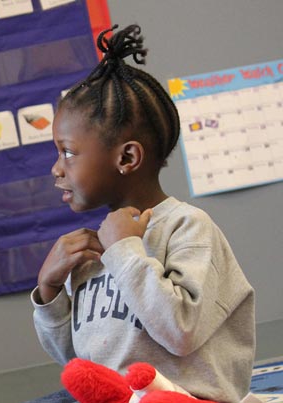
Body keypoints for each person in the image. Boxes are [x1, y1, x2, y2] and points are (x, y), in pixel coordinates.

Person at [29, 25, 255, 403]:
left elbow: (182, 331)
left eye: (67, 152)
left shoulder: (187, 228)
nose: (56, 168)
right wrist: (50, 291)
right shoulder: (92, 247)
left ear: (127, 158)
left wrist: (125, 250)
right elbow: (76, 362)